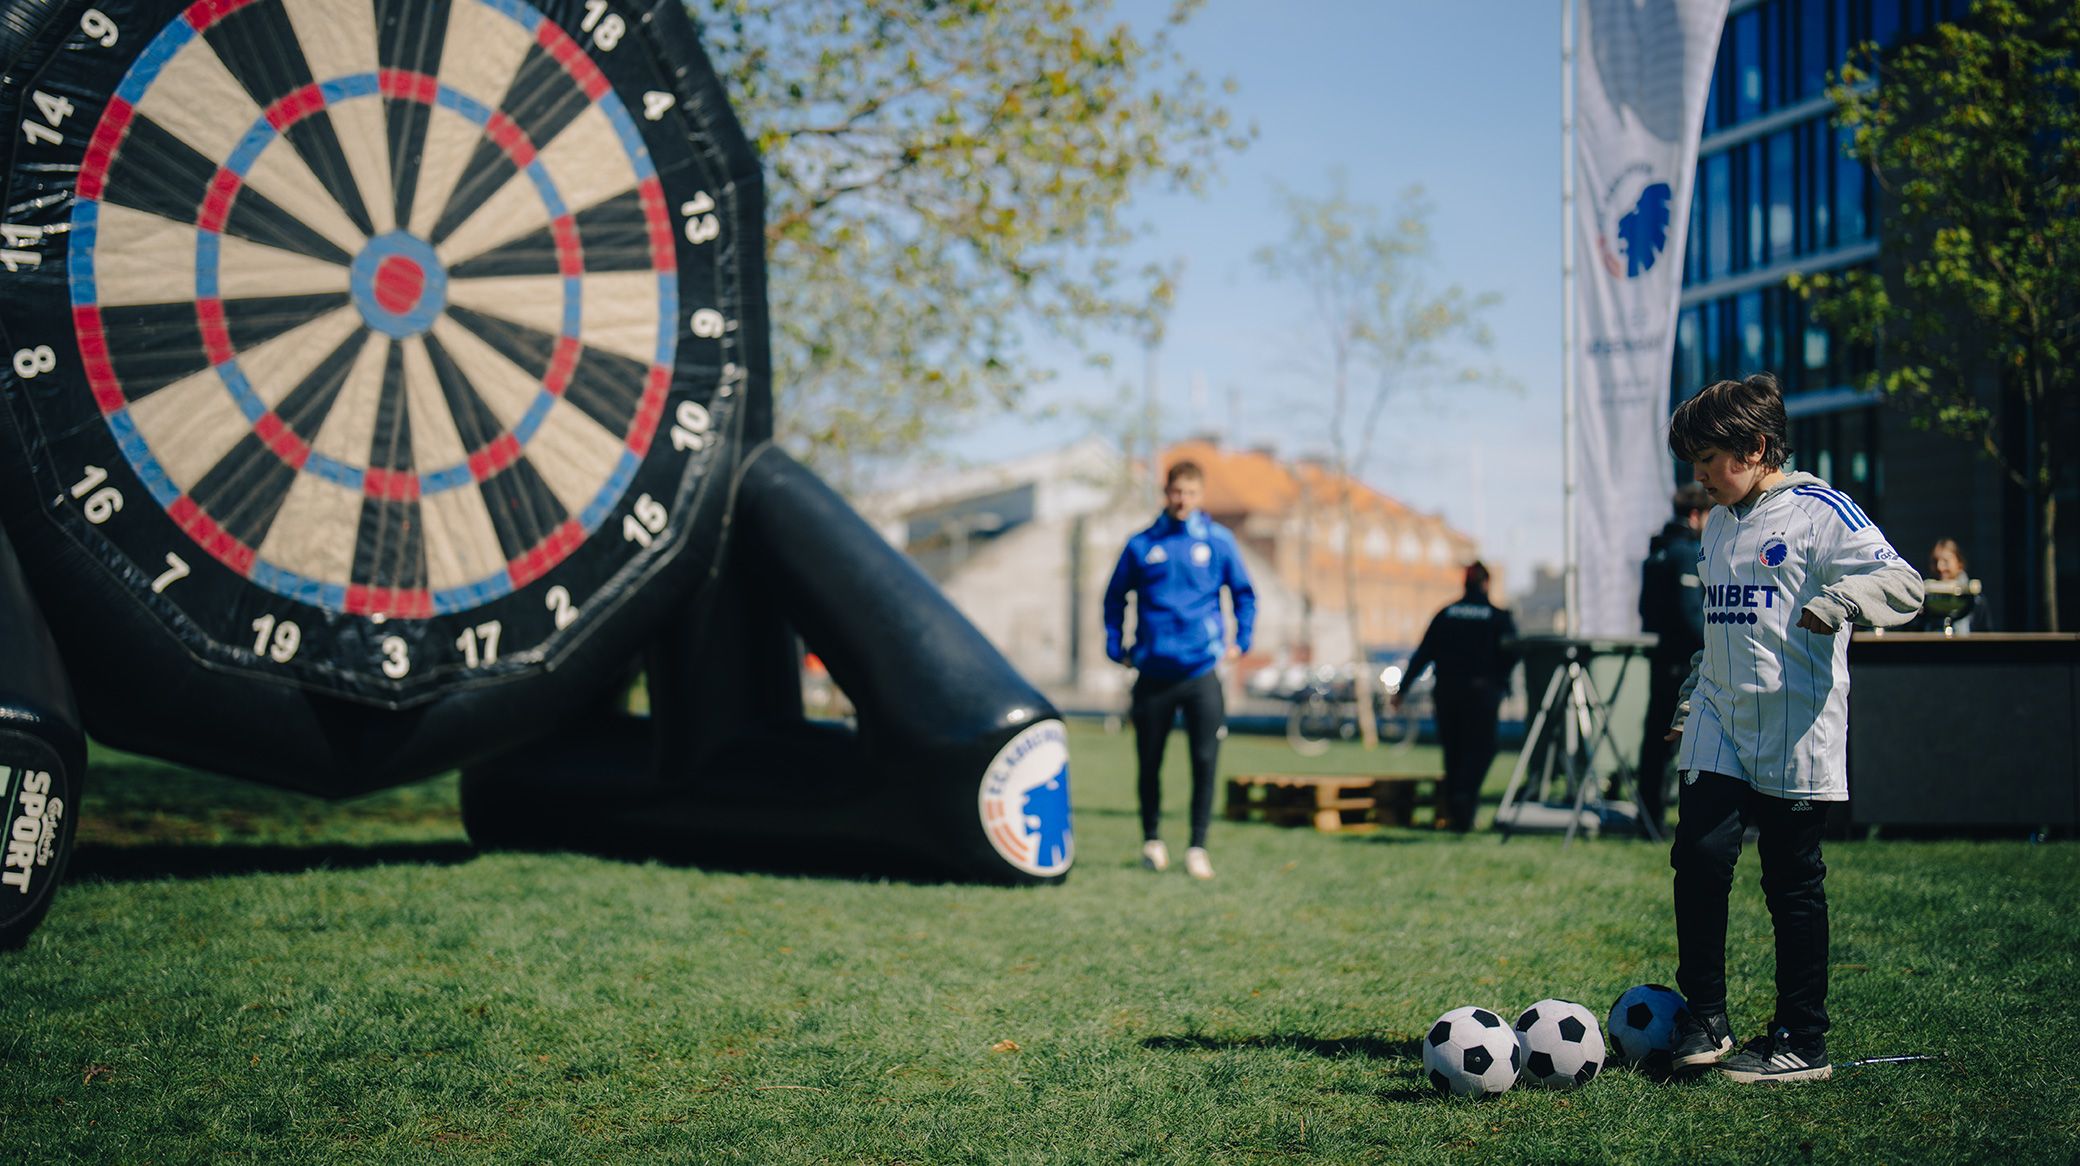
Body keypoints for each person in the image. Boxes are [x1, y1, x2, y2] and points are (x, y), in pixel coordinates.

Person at [1661, 374, 1924, 1084]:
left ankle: (1801, 1039)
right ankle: (1706, 1016)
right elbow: (1720, 631)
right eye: (1694, 462)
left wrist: (1838, 600)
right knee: (1700, 857)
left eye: (1710, 459)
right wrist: (1691, 702)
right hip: (1720, 719)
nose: (1701, 476)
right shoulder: (1716, 524)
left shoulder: (1821, 512)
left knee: (1791, 884)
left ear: (1755, 447)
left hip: (1794, 724)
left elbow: (1906, 585)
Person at [1102, 460, 1256, 880]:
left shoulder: (1218, 542)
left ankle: (1197, 846)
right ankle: (1152, 841)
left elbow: (1244, 594)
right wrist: (1117, 646)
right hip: (1153, 673)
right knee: (1149, 762)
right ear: (1165, 493)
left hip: (1201, 673)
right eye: (1175, 492)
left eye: (1190, 493)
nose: (1182, 500)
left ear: (1200, 495)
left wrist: (1241, 641)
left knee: (1205, 760)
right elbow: (1114, 597)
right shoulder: (1141, 544)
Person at [1393, 562, 1517, 833]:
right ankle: (1464, 799)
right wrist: (1503, 684)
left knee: (1454, 750)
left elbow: (1424, 653)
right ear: (1487, 584)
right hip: (1482, 694)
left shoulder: (1446, 614)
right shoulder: (1498, 617)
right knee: (1482, 749)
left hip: (1447, 693)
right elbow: (1511, 654)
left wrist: (1402, 689)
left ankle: (1457, 810)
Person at [1634, 483, 1711, 837]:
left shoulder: (1656, 554)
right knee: (1698, 743)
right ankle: (1699, 820)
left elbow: (1645, 610)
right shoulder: (1687, 554)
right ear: (1696, 515)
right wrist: (1715, 645)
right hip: (1686, 661)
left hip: (1660, 658)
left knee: (1656, 741)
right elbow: (1690, 613)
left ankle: (1648, 817)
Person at [1908, 538, 1984, 634]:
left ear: (1959, 563)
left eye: (1946, 561)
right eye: (1935, 561)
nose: (1940, 567)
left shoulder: (1976, 601)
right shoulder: (1923, 599)